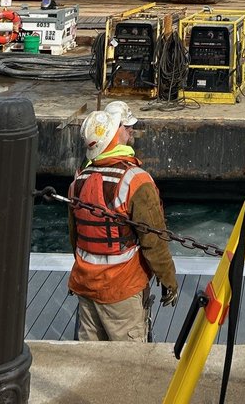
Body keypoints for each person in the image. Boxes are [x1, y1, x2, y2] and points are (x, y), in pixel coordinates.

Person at [68, 101, 179, 341]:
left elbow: (75, 237)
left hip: (85, 285)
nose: (131, 133)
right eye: (126, 128)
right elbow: (154, 240)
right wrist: (168, 279)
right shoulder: (136, 181)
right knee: (129, 364)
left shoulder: (78, 181)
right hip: (122, 290)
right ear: (115, 134)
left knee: (90, 360)